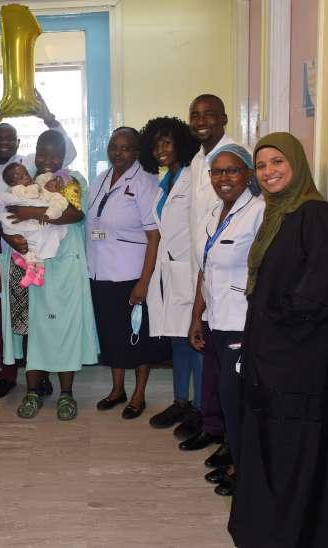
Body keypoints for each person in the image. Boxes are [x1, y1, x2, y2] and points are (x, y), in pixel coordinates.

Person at [228, 133, 328, 547]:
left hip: (301, 357)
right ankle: (268, 528)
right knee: (270, 442)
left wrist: (277, 322)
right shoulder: (277, 213)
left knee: (293, 446)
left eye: (277, 162)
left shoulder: (313, 213)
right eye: (261, 165)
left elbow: (325, 283)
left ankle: (292, 533)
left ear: (296, 164)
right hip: (272, 350)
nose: (269, 172)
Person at [0, 129, 99, 421]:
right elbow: (7, 213)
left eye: (55, 154)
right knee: (37, 329)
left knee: (65, 329)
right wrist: (10, 237)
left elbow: (75, 214)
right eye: (43, 153)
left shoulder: (73, 180)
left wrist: (32, 214)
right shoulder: (26, 181)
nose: (48, 160)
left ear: (64, 156)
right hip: (34, 266)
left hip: (66, 266)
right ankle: (33, 391)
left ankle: (66, 394)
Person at [0, 101, 77, 398]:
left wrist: (50, 118)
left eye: (10, 138)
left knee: (38, 317)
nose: (4, 142)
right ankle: (9, 375)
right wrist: (7, 238)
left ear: (19, 143)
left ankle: (41, 375)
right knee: (9, 318)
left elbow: (66, 153)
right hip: (6, 250)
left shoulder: (31, 167)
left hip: (35, 251)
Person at [188, 144, 264, 497]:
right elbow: (205, 270)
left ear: (247, 174)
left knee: (236, 397)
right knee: (225, 394)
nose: (223, 178)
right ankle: (234, 455)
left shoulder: (259, 212)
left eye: (232, 170)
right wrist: (196, 317)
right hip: (216, 318)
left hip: (241, 321)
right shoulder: (214, 213)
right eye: (217, 171)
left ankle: (245, 472)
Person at [86, 127, 160, 419]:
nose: (118, 152)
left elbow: (154, 236)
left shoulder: (145, 182)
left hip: (130, 274)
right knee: (111, 335)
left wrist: (144, 281)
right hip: (100, 272)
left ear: (137, 151)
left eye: (126, 147)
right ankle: (117, 390)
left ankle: (139, 395)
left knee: (136, 336)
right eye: (114, 146)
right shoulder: (101, 178)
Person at [178, 94, 236, 459]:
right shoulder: (199, 160)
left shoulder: (235, 157)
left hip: (229, 274)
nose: (201, 121)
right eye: (195, 115)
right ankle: (213, 425)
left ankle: (230, 439)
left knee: (228, 368)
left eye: (209, 114)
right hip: (204, 269)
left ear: (224, 118)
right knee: (212, 360)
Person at [139, 117, 202, 431]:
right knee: (178, 339)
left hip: (190, 271)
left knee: (196, 340)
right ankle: (181, 402)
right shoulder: (166, 181)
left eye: (166, 142)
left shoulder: (194, 178)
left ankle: (201, 410)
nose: (160, 150)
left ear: (181, 143)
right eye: (155, 145)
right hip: (170, 271)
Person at [0, 163, 70, 286]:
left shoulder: (38, 187)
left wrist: (37, 211)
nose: (26, 177)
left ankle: (35, 269)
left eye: (26, 174)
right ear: (13, 183)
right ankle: (29, 263)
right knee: (11, 229)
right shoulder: (13, 191)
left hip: (36, 222)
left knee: (40, 240)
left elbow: (46, 200)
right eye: (21, 177)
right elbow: (5, 202)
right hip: (21, 223)